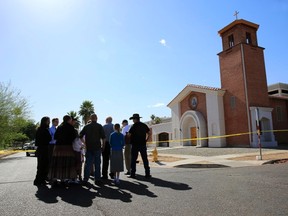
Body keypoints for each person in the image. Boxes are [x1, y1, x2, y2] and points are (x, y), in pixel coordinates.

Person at [49, 115, 78, 184]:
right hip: (67, 147)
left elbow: (55, 136)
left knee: (57, 162)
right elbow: (74, 137)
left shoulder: (59, 127)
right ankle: (64, 178)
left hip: (58, 147)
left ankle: (55, 178)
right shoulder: (71, 127)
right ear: (69, 120)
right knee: (67, 162)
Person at [80, 114, 105, 185]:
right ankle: (97, 179)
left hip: (89, 147)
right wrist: (103, 146)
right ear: (96, 118)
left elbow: (80, 136)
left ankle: (85, 179)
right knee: (97, 164)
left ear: (90, 118)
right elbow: (103, 137)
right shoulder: (99, 126)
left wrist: (85, 144)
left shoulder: (86, 126)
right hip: (97, 147)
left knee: (88, 164)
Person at [128, 113, 151, 179]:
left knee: (133, 159)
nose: (132, 121)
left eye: (133, 119)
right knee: (145, 159)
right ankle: (147, 173)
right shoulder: (144, 125)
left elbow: (129, 135)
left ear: (135, 119)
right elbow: (149, 133)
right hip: (143, 144)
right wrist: (146, 139)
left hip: (135, 145)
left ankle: (133, 174)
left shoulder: (133, 126)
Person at [34, 116, 51, 186]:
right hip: (43, 149)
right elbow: (48, 138)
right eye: (48, 121)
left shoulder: (39, 129)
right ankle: (39, 180)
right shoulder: (44, 130)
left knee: (42, 165)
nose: (49, 122)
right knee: (42, 165)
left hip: (41, 149)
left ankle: (41, 179)